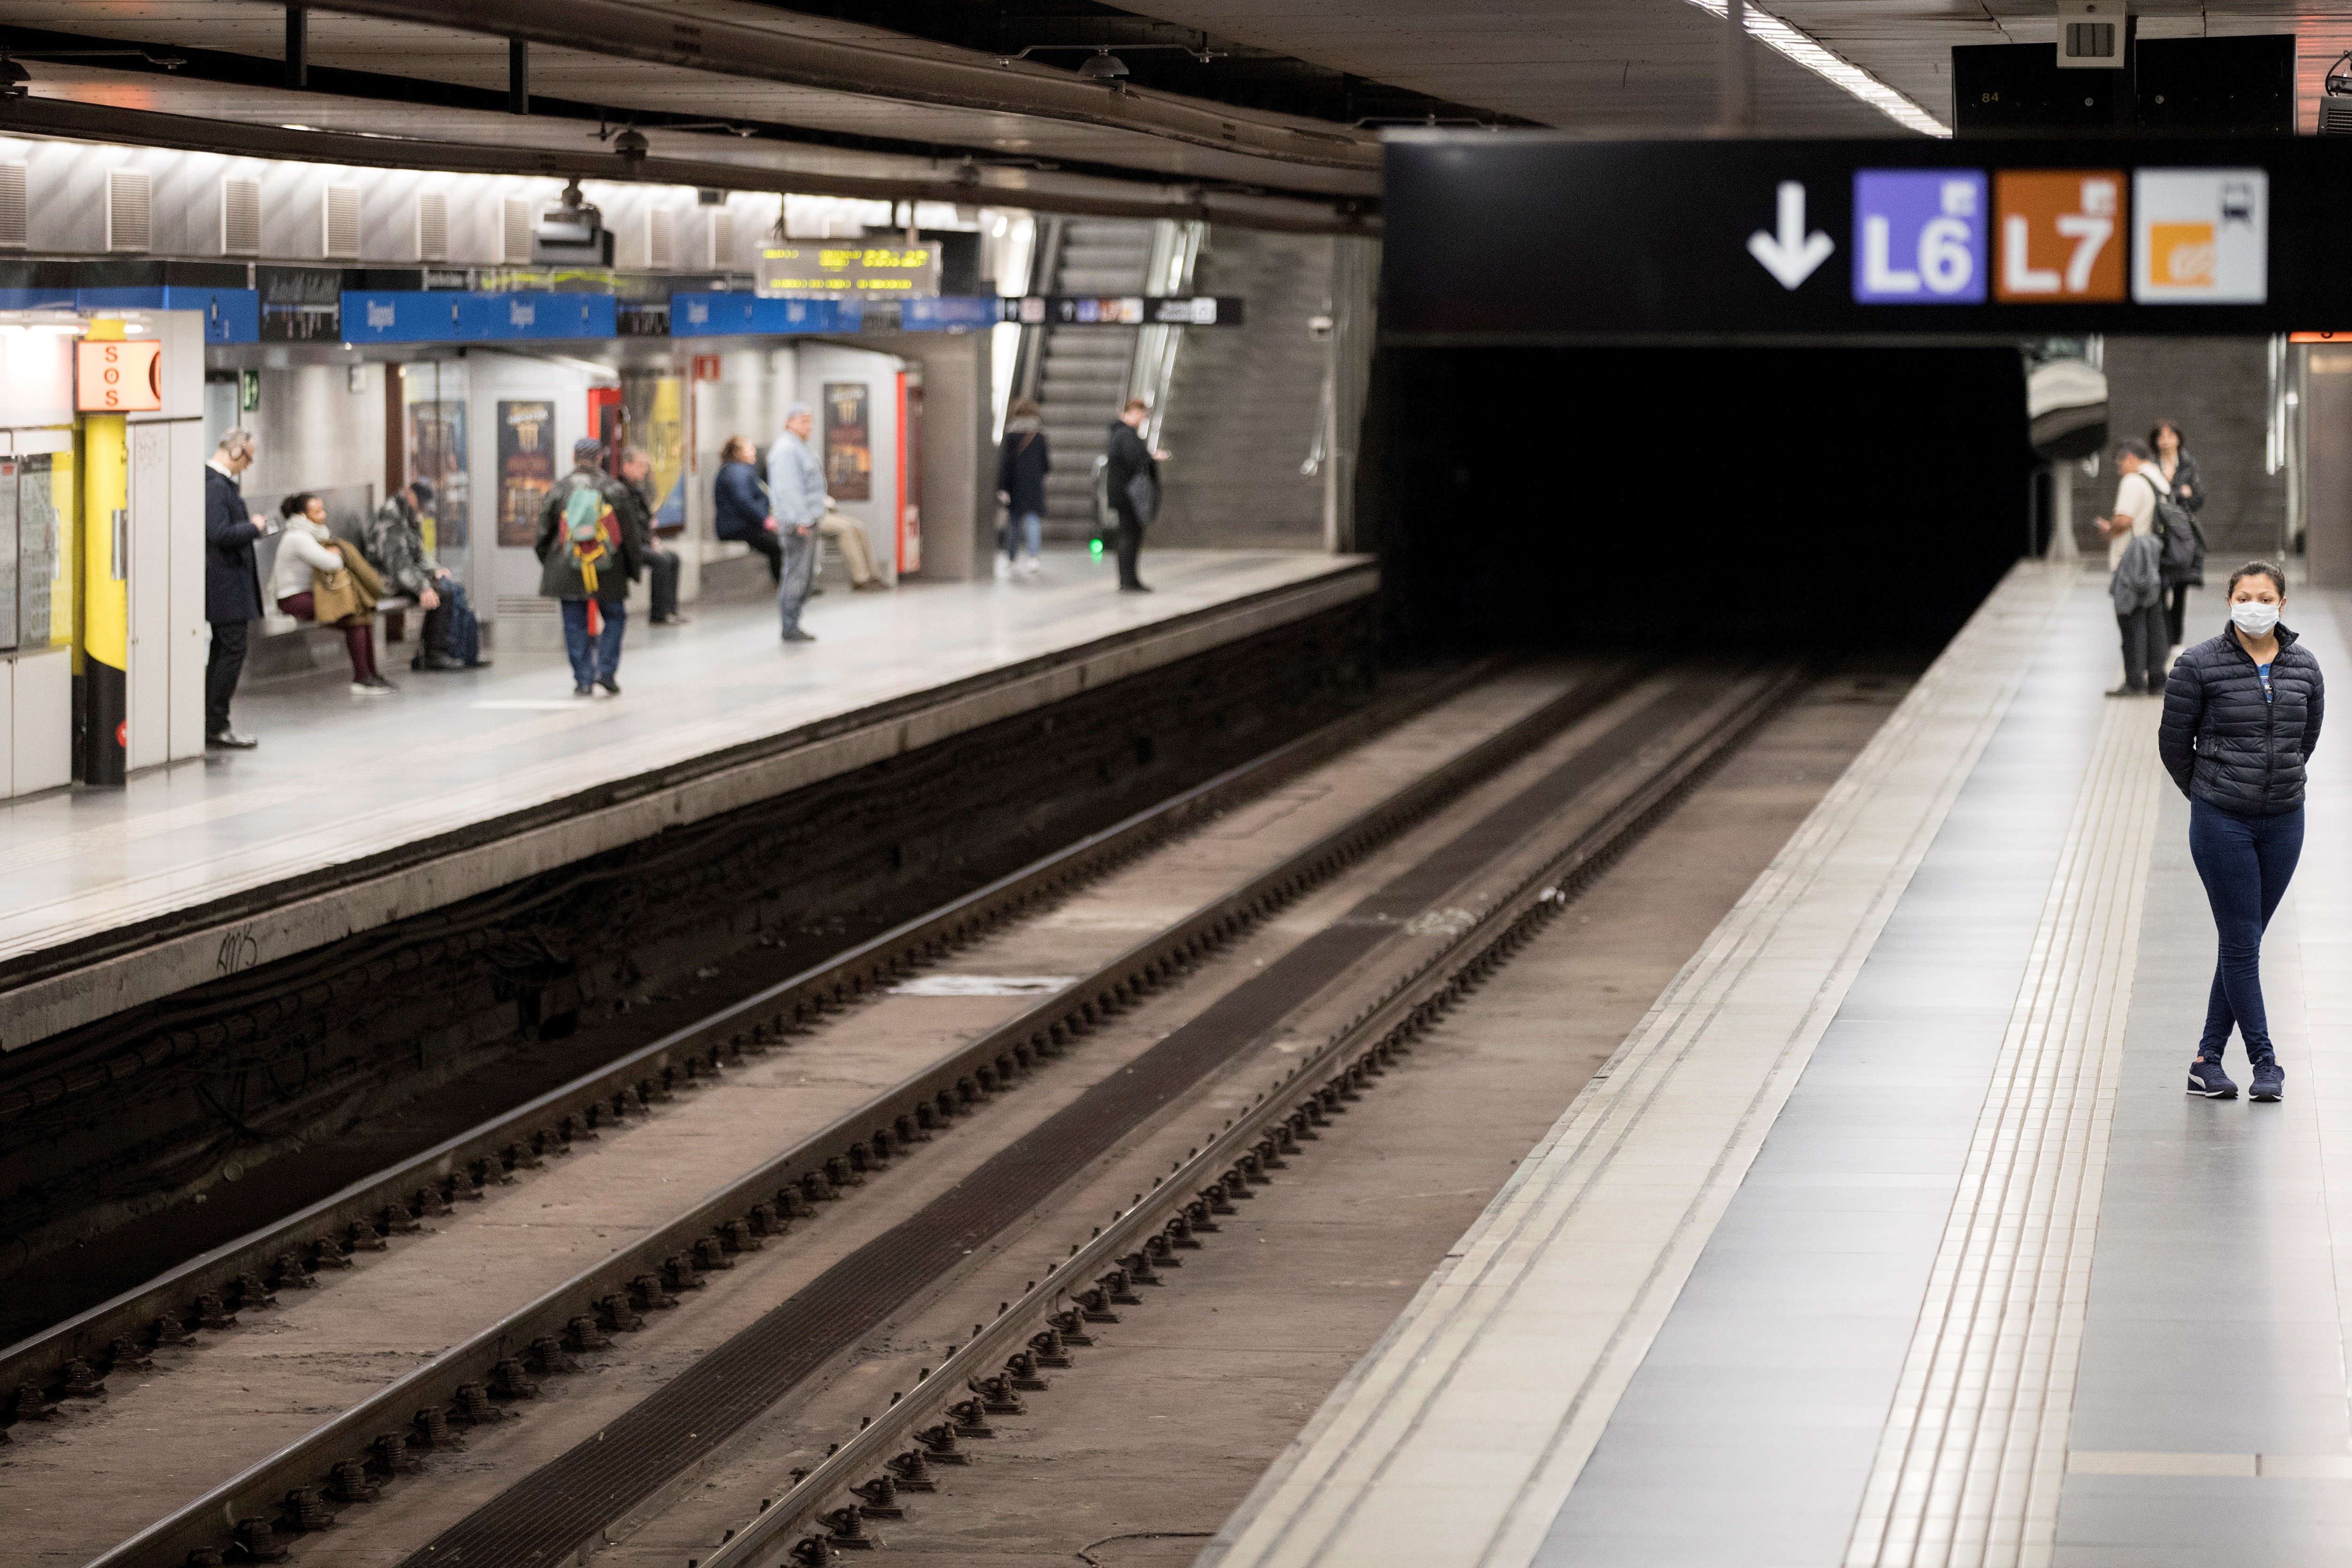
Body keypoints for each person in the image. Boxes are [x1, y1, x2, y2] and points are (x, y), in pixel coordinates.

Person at [2159, 562, 2324, 1104]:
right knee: (2240, 941)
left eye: (2265, 596)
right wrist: (2208, 794)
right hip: (2220, 821)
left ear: (2282, 605)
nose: (2254, 604)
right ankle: (2264, 1061)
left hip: (2283, 821)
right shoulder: (2197, 665)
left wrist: (2274, 784)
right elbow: (2172, 744)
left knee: (2243, 942)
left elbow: (2306, 737)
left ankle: (2206, 1060)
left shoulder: (2304, 667)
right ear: (2228, 601)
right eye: (2243, 596)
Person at [537, 438, 640, 696]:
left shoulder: (558, 490)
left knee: (574, 623)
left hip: (567, 565)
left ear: (574, 458)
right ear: (600, 458)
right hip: (607, 565)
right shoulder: (614, 489)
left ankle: (583, 679)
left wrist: (550, 561)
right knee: (615, 617)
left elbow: (543, 535)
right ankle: (606, 672)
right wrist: (632, 567)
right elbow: (630, 533)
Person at [273, 492, 393, 695]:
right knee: (354, 617)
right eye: (318, 512)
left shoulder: (312, 535)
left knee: (363, 615)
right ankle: (363, 678)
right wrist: (336, 554)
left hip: (310, 595)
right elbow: (331, 563)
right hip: (293, 599)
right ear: (302, 516)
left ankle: (371, 674)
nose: (323, 515)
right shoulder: (298, 538)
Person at [203, 429, 275, 748]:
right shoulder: (215, 487)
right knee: (230, 651)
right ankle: (215, 723)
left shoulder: (217, 485)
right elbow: (218, 533)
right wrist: (254, 527)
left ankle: (212, 720)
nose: (248, 464)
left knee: (224, 651)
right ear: (236, 452)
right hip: (224, 585)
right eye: (248, 457)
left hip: (226, 585)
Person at [365, 480, 483, 670]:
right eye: (420, 504)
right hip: (386, 580)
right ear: (409, 495)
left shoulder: (410, 515)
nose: (422, 510)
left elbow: (417, 555)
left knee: (453, 588)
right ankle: (434, 655)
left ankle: (462, 652)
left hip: (404, 576)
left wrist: (434, 570)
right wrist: (423, 587)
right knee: (442, 594)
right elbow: (396, 562)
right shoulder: (391, 516)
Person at [2095, 439, 2171, 696]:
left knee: (2129, 619)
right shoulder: (2159, 479)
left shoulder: (2133, 481)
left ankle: (2134, 682)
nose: (2120, 470)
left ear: (2130, 458)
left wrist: (2109, 529)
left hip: (2131, 561)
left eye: (2120, 464)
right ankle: (2158, 678)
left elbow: (2125, 520)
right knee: (2154, 620)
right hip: (2154, 558)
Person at [767, 402, 825, 643]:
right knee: (796, 576)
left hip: (808, 519)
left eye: (810, 421)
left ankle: (794, 622)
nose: (808, 426)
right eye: (802, 421)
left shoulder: (801, 448)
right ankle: (789, 627)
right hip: (797, 524)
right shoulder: (787, 451)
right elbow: (789, 489)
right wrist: (802, 519)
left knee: (806, 576)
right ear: (789, 422)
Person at [2150, 420, 2208, 650]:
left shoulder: (2188, 465)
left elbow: (2198, 499)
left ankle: (2175, 640)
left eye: (2170, 435)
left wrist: (2180, 494)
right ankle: (2163, 638)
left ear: (2178, 438)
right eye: (2161, 436)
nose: (2166, 440)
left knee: (2181, 587)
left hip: (2182, 533)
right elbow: (2155, 497)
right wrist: (2179, 492)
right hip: (2159, 531)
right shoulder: (2152, 466)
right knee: (2159, 587)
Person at [1103, 397, 1169, 593]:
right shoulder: (1125, 434)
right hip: (1128, 495)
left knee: (1129, 535)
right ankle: (1129, 580)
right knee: (1131, 536)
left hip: (1123, 493)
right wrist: (1152, 457)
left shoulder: (1120, 433)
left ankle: (1129, 579)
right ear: (1132, 411)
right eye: (1141, 415)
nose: (1142, 419)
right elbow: (1133, 459)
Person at [615, 446, 686, 626]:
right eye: (640, 466)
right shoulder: (621, 491)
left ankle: (670, 610)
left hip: (642, 542)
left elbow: (645, 520)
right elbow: (630, 526)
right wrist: (649, 542)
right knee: (661, 561)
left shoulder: (637, 490)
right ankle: (659, 614)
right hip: (629, 545)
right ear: (627, 466)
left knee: (673, 559)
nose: (645, 471)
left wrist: (652, 539)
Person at [714, 436, 783, 585]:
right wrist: (765, 520)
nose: (754, 452)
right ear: (739, 453)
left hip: (745, 524)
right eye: (750, 449)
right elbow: (744, 502)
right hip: (738, 527)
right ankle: (783, 585)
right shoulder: (735, 472)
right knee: (777, 545)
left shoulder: (739, 470)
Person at [996, 396, 1051, 577]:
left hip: (1015, 484)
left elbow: (1006, 463)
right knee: (1034, 520)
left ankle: (1011, 558)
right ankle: (1034, 558)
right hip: (1034, 484)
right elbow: (1046, 464)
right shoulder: (1040, 435)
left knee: (1014, 523)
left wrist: (1003, 487)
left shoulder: (1011, 434)